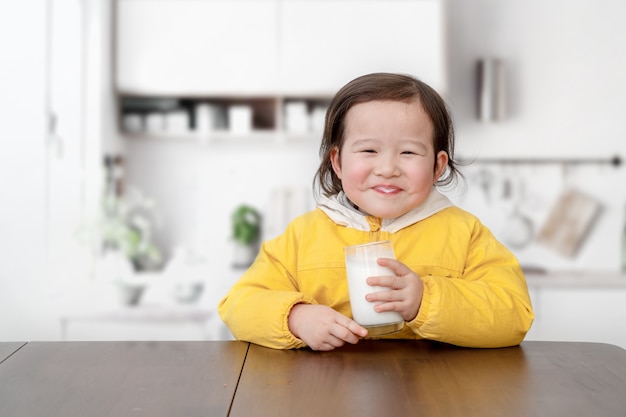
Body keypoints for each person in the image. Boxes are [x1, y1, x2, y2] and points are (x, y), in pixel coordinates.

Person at [218, 72, 534, 351]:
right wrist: (295, 317)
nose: (387, 169)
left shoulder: (465, 233)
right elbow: (239, 305)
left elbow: (514, 314)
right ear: (338, 162)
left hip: (433, 394)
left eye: (408, 152)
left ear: (437, 166)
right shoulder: (302, 236)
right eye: (369, 150)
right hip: (323, 393)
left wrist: (427, 300)